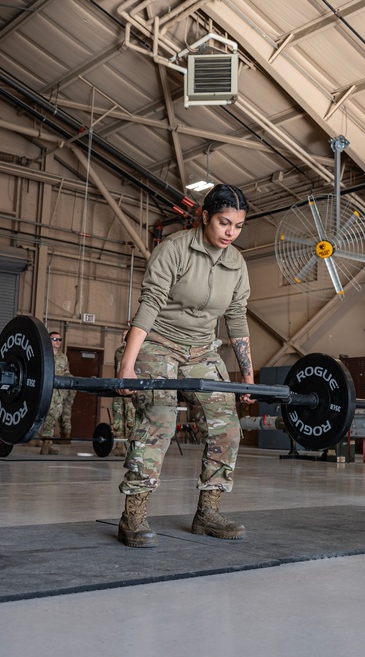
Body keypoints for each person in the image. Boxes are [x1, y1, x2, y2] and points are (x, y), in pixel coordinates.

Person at [115, 183, 254, 548]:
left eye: (238, 226)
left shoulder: (236, 263)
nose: (230, 233)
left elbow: (237, 318)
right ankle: (133, 514)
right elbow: (149, 305)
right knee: (159, 419)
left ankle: (208, 512)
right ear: (205, 216)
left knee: (227, 427)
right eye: (224, 223)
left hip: (202, 351)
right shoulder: (173, 249)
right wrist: (127, 367)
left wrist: (249, 375)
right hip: (158, 343)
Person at [36, 331, 70, 455]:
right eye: (55, 339)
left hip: (58, 393)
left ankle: (47, 444)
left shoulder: (63, 357)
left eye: (59, 339)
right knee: (45, 416)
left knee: (54, 417)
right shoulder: (44, 355)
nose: (58, 342)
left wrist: (71, 381)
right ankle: (44, 443)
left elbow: (66, 372)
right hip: (46, 390)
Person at [110, 330, 135, 456]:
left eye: (126, 335)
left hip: (131, 393)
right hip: (118, 391)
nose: (123, 337)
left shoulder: (137, 352)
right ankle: (119, 446)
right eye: (122, 335)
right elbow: (116, 370)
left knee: (132, 420)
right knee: (118, 419)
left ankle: (132, 448)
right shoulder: (118, 352)